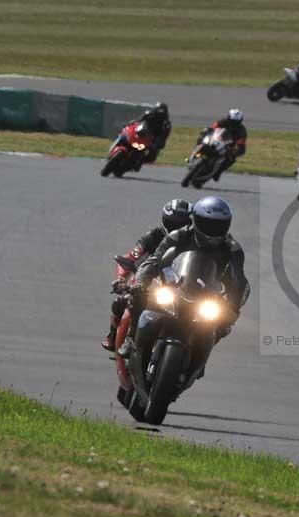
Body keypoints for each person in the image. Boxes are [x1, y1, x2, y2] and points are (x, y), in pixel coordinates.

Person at [118, 196, 250, 360]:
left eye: (218, 225)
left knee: (223, 324)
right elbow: (154, 260)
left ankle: (198, 361)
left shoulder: (233, 248)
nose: (213, 230)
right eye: (208, 224)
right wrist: (140, 281)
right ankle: (131, 338)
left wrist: (232, 308)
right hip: (172, 284)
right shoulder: (178, 236)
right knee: (137, 296)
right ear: (196, 220)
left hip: (207, 294)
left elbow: (238, 280)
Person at [101, 199, 192, 352]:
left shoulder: (193, 241)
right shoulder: (154, 236)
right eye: (173, 223)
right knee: (121, 302)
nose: (177, 228)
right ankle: (118, 335)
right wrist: (121, 279)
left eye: (182, 224)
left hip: (181, 286)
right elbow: (130, 258)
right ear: (165, 221)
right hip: (150, 282)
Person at [187, 109, 247, 182]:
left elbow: (241, 146)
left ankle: (218, 173)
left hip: (227, 146)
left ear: (240, 121)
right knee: (203, 133)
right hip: (215, 139)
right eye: (232, 121)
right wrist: (207, 131)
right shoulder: (223, 121)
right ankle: (194, 151)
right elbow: (213, 128)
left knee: (231, 159)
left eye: (236, 122)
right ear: (228, 118)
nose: (233, 124)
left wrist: (235, 152)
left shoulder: (241, 131)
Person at [134, 102, 172, 169]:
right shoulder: (149, 114)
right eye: (158, 112)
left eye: (162, 113)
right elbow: (139, 120)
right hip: (144, 132)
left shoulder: (166, 124)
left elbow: (164, 136)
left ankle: (139, 162)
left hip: (154, 139)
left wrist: (159, 144)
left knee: (152, 156)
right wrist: (134, 123)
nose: (159, 115)